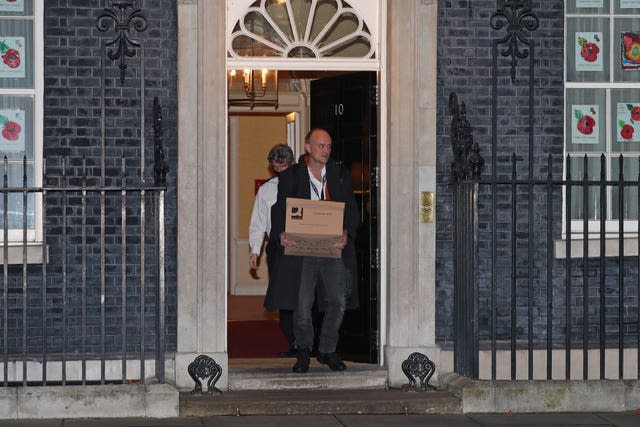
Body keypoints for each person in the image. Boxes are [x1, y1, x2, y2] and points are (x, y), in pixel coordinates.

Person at [268, 128, 359, 373]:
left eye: (328, 146)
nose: (326, 150)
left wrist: (346, 232)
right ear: (308, 147)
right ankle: (304, 351)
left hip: (332, 249)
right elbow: (278, 210)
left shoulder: (339, 174)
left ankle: (328, 350)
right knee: (302, 304)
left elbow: (351, 208)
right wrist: (281, 233)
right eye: (321, 146)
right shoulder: (292, 176)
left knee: (338, 302)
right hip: (302, 251)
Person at [248, 143, 296, 357]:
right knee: (283, 296)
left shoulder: (302, 185)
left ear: (290, 163)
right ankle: (294, 341)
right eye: (276, 168)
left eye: (283, 167)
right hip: (276, 249)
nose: (279, 171)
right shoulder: (266, 189)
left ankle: (304, 341)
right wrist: (255, 250)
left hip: (300, 246)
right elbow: (258, 222)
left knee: (302, 294)